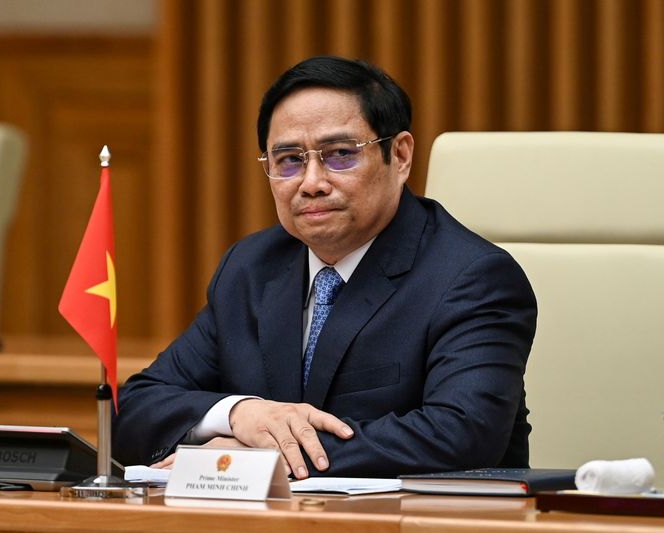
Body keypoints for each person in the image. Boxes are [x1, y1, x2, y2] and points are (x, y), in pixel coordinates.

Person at [113, 55, 537, 479]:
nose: (312, 182)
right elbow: (133, 412)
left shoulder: (472, 278)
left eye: (340, 154)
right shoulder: (251, 268)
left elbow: (462, 434)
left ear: (400, 155)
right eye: (289, 160)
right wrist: (239, 413)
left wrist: (264, 458)